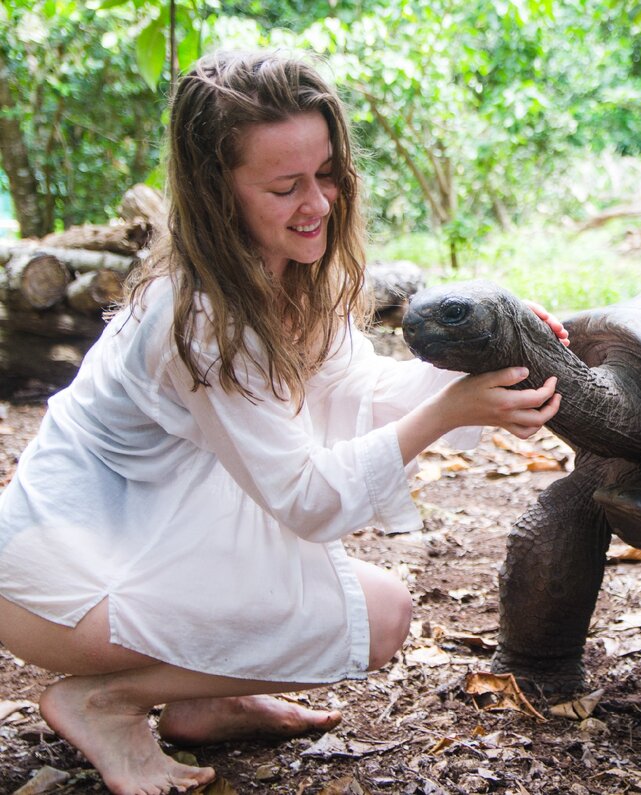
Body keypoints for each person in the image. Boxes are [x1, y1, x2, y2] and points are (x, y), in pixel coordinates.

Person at [0, 50, 566, 795]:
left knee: (359, 602)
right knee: (381, 617)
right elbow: (306, 495)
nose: (318, 204)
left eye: (327, 174)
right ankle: (106, 699)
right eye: (284, 186)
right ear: (215, 192)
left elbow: (359, 386)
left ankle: (208, 699)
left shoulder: (285, 270)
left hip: (153, 537)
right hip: (59, 584)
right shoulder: (198, 311)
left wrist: (485, 358)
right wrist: (445, 414)